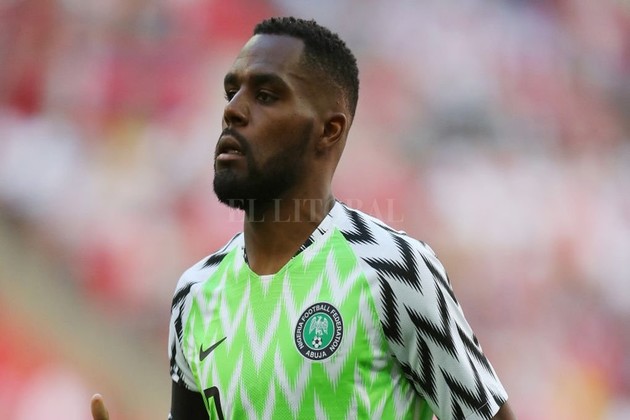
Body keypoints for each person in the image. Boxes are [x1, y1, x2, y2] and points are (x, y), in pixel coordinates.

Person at [92, 16, 516, 420]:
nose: (233, 111)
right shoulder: (196, 294)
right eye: (232, 92)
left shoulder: (392, 269)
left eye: (266, 95)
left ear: (329, 130)